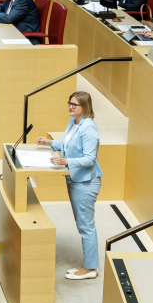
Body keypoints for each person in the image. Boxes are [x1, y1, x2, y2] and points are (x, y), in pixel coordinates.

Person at [51, 91, 104, 282]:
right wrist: (50, 143)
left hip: (86, 183)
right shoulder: (74, 122)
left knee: (85, 226)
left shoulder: (89, 128)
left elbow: (89, 159)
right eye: (70, 103)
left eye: (75, 105)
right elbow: (68, 144)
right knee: (82, 224)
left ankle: (90, 267)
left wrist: (65, 161)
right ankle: (87, 264)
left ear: (85, 107)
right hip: (75, 180)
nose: (71, 107)